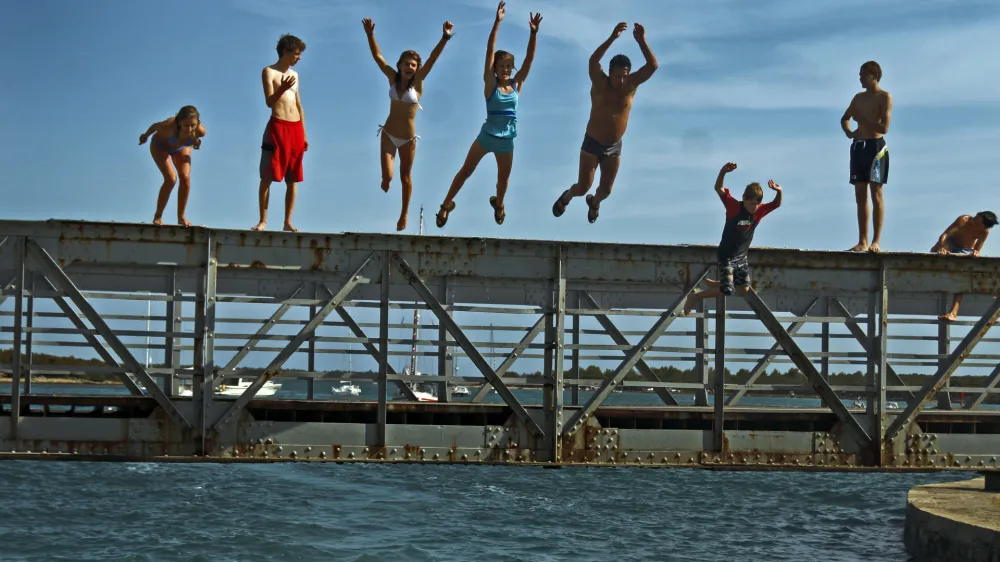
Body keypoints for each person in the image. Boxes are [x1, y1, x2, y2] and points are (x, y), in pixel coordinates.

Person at [435, 2, 542, 228]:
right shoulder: (490, 83)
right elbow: (489, 50)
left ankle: (499, 204)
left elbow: (530, 59)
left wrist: (533, 33)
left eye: (509, 66)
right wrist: (497, 22)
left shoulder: (516, 84)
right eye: (502, 65)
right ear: (495, 68)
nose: (505, 69)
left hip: (507, 140)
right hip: (487, 136)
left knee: (503, 179)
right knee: (466, 170)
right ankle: (445, 205)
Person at [551, 21, 658, 223]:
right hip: (592, 143)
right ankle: (567, 196)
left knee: (606, 190)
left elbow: (653, 66)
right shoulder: (600, 82)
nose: (621, 80)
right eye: (617, 76)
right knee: (583, 188)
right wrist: (612, 38)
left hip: (613, 146)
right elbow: (593, 61)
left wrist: (641, 41)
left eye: (624, 76)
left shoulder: (631, 85)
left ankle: (596, 202)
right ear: (610, 73)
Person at [363, 17, 454, 232]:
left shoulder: (419, 82)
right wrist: (370, 34)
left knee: (405, 177)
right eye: (407, 64)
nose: (410, 67)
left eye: (413, 65)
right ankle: (385, 179)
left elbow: (432, 58)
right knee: (388, 177)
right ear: (400, 65)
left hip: (408, 140)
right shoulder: (392, 79)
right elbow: (377, 57)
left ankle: (404, 214)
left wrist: (445, 37)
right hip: (388, 134)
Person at [682, 162, 782, 315]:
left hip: (741, 257)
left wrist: (778, 191)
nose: (754, 207)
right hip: (727, 255)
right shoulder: (735, 207)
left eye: (757, 203)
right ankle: (695, 296)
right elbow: (719, 189)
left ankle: (718, 283)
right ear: (744, 198)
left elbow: (776, 204)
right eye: (751, 203)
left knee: (744, 289)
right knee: (727, 290)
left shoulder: (759, 211)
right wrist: (723, 172)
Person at [253, 34, 308, 232]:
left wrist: (304, 133)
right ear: (285, 52)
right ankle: (263, 220)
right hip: (277, 126)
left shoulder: (296, 75)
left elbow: (299, 105)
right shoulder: (269, 71)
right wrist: (282, 88)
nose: (299, 57)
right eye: (297, 53)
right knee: (267, 175)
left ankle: (287, 222)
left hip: (295, 129)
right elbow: (269, 101)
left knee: (293, 178)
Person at [841, 61, 893, 253]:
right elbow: (845, 117)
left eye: (863, 75)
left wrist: (862, 120)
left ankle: (876, 241)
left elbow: (884, 128)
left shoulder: (884, 97)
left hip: (876, 148)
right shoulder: (858, 98)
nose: (860, 78)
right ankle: (862, 241)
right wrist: (849, 132)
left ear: (874, 75)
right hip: (858, 147)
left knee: (876, 193)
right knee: (859, 195)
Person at [139, 105, 206, 227]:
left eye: (193, 125)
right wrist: (145, 136)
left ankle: (181, 217)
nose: (189, 129)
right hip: (160, 146)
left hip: (181, 148)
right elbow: (154, 126)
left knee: (185, 179)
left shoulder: (200, 131)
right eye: (186, 125)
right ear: (179, 122)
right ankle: (158, 216)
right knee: (170, 179)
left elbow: (195, 138)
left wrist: (196, 142)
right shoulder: (169, 126)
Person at [932, 211, 997, 322]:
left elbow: (976, 249)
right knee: (935, 252)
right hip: (950, 242)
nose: (973, 222)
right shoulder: (963, 220)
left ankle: (953, 313)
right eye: (976, 218)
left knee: (963, 277)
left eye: (977, 223)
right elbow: (945, 235)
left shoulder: (984, 232)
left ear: (983, 227)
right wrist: (941, 247)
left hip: (964, 250)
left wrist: (976, 253)